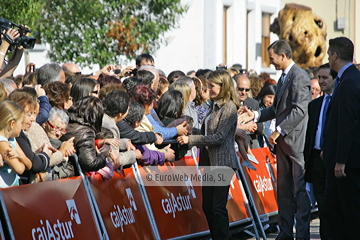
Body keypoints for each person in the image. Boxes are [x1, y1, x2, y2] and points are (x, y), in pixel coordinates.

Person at [238, 39, 311, 240]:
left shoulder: (299, 77)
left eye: (272, 58)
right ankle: (285, 233)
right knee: (285, 193)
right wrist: (255, 115)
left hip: (295, 145)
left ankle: (302, 235)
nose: (270, 63)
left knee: (299, 193)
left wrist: (279, 131)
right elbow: (277, 109)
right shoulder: (284, 77)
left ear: (283, 56)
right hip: (284, 146)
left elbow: (299, 110)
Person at [177, 70, 240, 239]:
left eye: (212, 86)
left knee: (218, 207)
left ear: (223, 86)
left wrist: (191, 139)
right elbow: (208, 132)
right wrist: (193, 131)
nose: (209, 89)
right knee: (208, 206)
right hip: (210, 163)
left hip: (222, 162)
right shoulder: (214, 106)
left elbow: (219, 137)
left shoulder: (229, 107)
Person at [323, 37, 360, 240]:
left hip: (347, 165)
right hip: (343, 160)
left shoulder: (349, 82)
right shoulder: (349, 78)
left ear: (335, 55)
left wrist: (341, 160)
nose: (328, 59)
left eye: (329, 54)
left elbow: (347, 124)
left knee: (346, 215)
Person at [303, 63, 336, 240]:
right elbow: (311, 134)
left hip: (333, 160)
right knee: (322, 207)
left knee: (333, 208)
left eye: (325, 78)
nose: (321, 81)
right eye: (319, 77)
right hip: (316, 161)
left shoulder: (338, 102)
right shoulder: (314, 105)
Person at [60, 96, 118, 173]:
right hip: (71, 175)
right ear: (96, 116)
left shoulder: (63, 116)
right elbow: (90, 163)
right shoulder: (86, 132)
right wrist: (102, 157)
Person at [0, 100, 32, 188]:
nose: (22, 126)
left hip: (11, 190)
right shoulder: (2, 143)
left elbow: (29, 164)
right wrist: (22, 160)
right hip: (3, 193)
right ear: (12, 124)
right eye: (21, 123)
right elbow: (19, 169)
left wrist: (19, 156)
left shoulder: (11, 139)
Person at [234, 74, 263, 149]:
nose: (243, 92)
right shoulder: (228, 104)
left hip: (248, 145)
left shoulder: (253, 103)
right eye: (240, 89)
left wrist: (253, 125)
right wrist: (245, 127)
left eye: (247, 90)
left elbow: (260, 129)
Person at [255, 84, 277, 149]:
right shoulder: (259, 112)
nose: (271, 101)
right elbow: (267, 134)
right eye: (269, 97)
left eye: (274, 98)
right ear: (263, 96)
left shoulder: (277, 112)